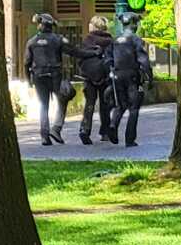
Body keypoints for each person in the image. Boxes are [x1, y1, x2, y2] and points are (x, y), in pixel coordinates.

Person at [24, 13, 99, 146]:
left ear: (40, 25)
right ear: (51, 26)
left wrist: (28, 80)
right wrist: (94, 53)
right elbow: (75, 52)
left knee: (43, 105)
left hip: (38, 76)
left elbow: (26, 62)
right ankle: (56, 128)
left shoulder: (31, 42)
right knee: (63, 98)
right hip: (55, 76)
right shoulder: (58, 39)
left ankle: (45, 136)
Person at [106, 12, 153, 147]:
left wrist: (111, 71)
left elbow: (108, 59)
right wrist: (150, 78)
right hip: (132, 76)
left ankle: (113, 124)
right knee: (134, 108)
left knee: (120, 105)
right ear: (133, 24)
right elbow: (143, 60)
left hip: (117, 75)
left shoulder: (114, 40)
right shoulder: (136, 40)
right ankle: (130, 139)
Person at [78, 15, 114, 145]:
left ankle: (85, 129)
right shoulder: (110, 41)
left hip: (89, 77)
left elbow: (81, 56)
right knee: (105, 105)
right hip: (105, 76)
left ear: (94, 26)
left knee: (90, 103)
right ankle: (105, 132)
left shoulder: (88, 39)